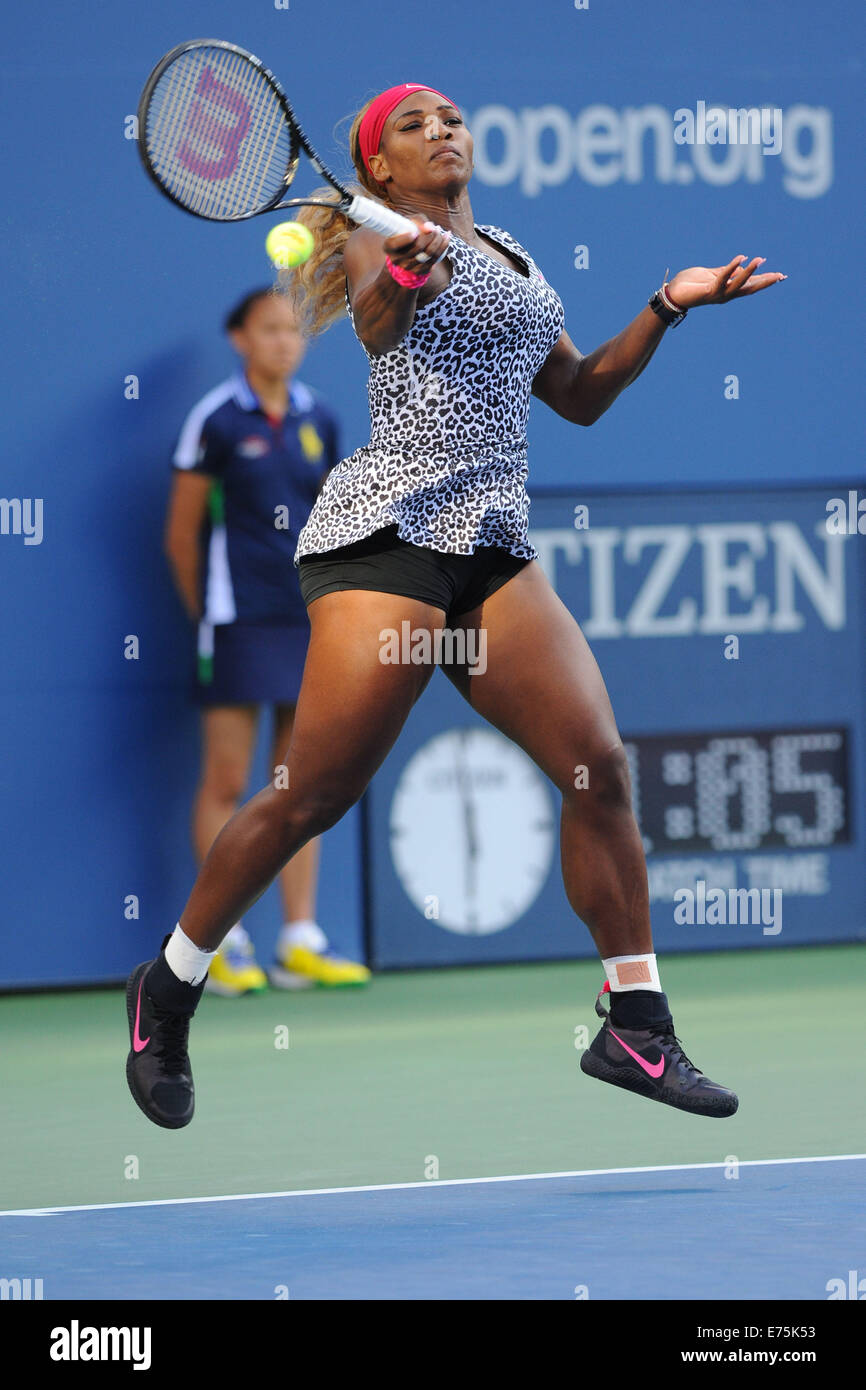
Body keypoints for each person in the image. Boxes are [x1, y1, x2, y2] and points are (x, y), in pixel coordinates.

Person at [127, 82, 786, 1129]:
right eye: (411, 125)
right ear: (377, 169)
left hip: (490, 549)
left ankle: (635, 1024)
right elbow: (383, 332)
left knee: (598, 767)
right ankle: (167, 986)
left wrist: (664, 307)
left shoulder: (518, 261)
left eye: (450, 118)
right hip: (387, 541)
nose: (442, 130)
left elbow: (574, 396)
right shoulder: (372, 244)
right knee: (311, 794)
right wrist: (404, 270)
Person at [163, 287, 370, 998]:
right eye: (269, 329)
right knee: (226, 780)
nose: (285, 340)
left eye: (294, 330)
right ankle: (220, 945)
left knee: (299, 783)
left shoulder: (320, 418)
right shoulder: (215, 421)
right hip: (236, 619)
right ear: (239, 338)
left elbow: (338, 521)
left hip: (307, 617)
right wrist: (211, 617)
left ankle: (299, 939)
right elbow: (181, 534)